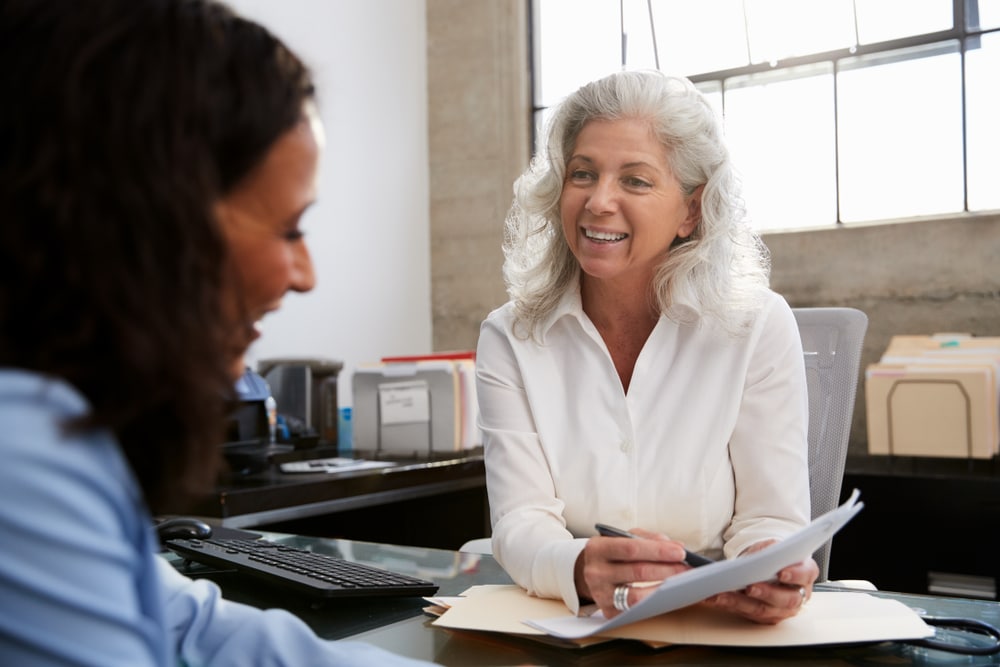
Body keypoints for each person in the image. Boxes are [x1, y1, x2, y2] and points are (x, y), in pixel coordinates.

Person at [0, 1, 434, 665]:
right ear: (152, 220)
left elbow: (185, 625)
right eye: (290, 229)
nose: (305, 274)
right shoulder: (24, 446)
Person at [476, 69, 818, 625]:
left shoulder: (757, 324)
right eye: (582, 174)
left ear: (690, 210)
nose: (598, 202)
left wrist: (769, 565)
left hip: (715, 627)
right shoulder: (510, 336)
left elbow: (770, 519)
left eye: (635, 181)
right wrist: (579, 566)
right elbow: (520, 522)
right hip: (571, 629)